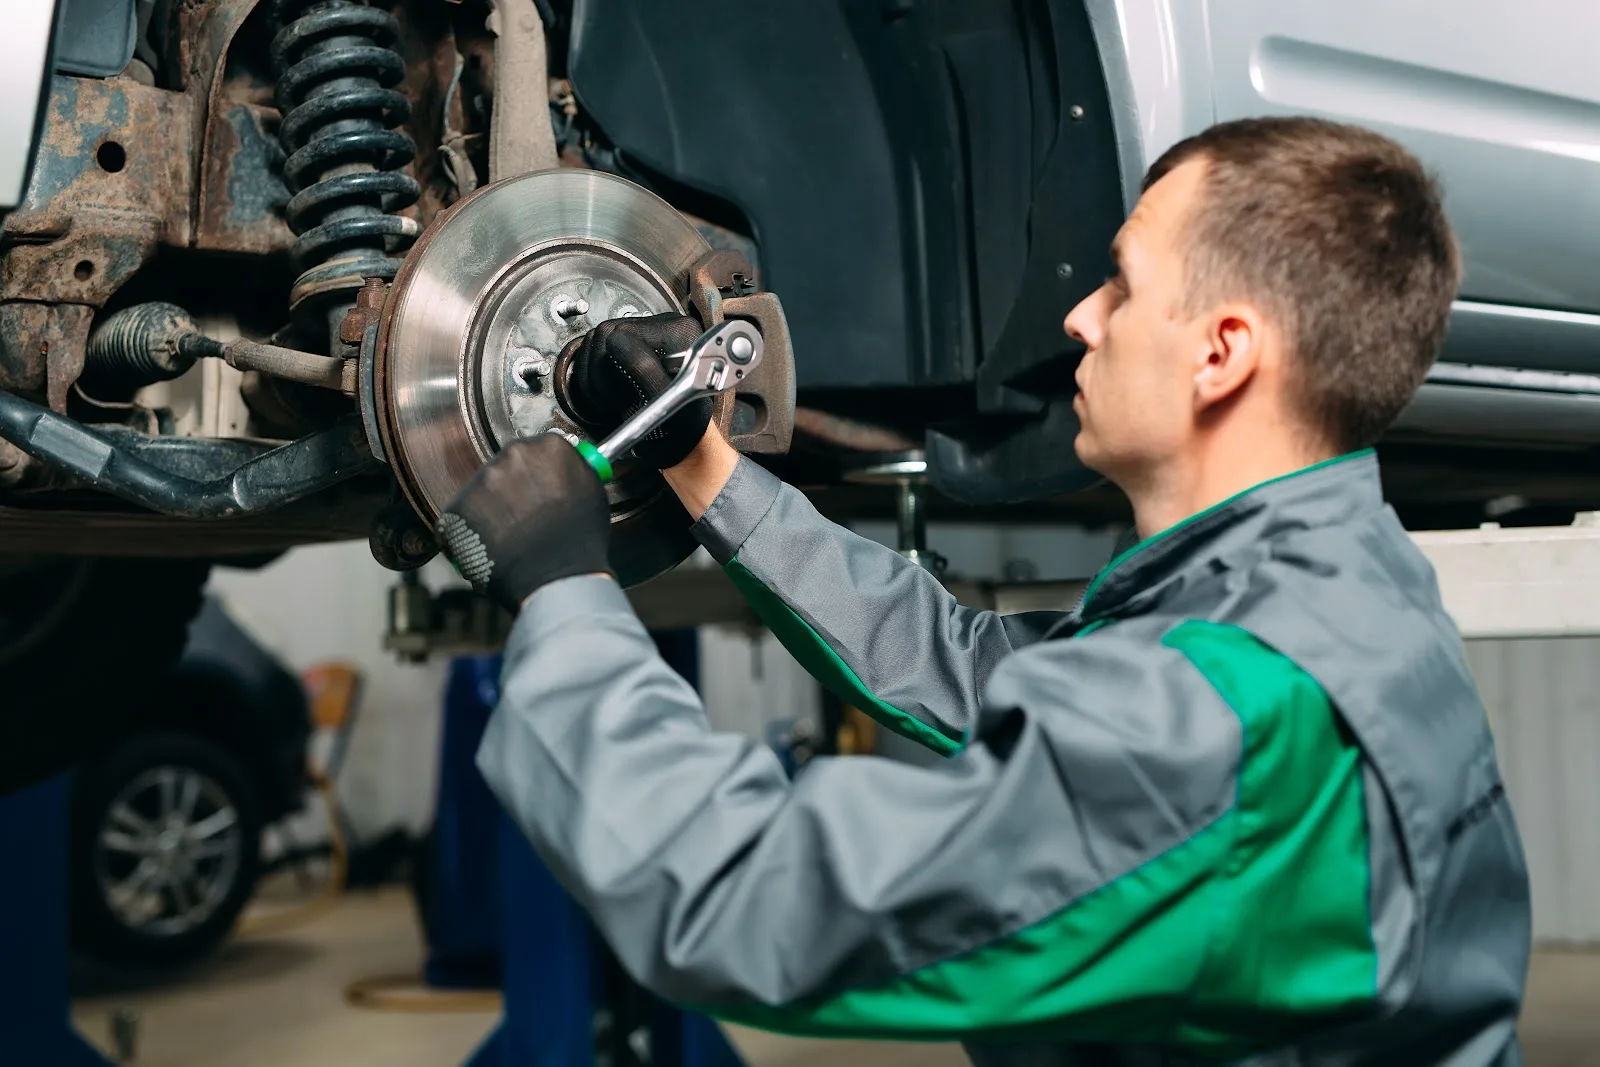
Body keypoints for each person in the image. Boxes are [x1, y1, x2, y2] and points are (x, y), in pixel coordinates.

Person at [435, 116, 1531, 1065]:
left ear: (1222, 352)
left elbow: (743, 902)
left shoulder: (1219, 717)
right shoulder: (1326, 588)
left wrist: (565, 589)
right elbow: (966, 666)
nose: (1079, 318)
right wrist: (702, 464)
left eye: (1122, 284)